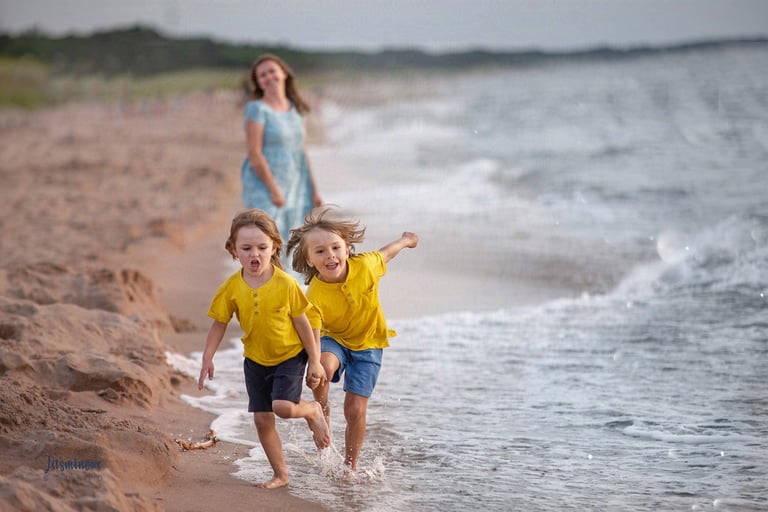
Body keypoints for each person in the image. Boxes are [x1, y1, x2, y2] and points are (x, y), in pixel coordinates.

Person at [197, 208, 330, 489]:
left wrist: (315, 361)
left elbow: (304, 323)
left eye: (261, 247)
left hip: (290, 356)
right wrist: (207, 357)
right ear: (233, 250)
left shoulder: (285, 284)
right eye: (246, 248)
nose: (254, 254)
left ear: (274, 248)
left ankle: (312, 411)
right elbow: (219, 323)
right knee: (262, 420)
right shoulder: (231, 287)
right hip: (255, 359)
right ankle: (280, 475)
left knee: (282, 407)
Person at [286, 206, 419, 473]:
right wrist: (312, 365)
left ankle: (350, 468)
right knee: (323, 366)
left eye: (335, 248)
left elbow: (386, 253)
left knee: (355, 410)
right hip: (333, 339)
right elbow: (312, 333)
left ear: (347, 249)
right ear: (310, 260)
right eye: (320, 251)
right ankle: (319, 410)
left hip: (369, 344)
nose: (330, 256)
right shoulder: (314, 295)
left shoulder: (367, 266)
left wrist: (406, 241)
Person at [241, 54, 322, 246]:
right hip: (264, 184)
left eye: (272, 71)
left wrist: (314, 190)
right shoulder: (257, 109)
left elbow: (302, 152)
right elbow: (254, 153)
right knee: (268, 240)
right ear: (258, 83)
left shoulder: (297, 110)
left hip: (294, 181)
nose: (268, 77)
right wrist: (273, 189)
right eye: (262, 75)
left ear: (284, 73)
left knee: (294, 242)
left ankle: (290, 278)